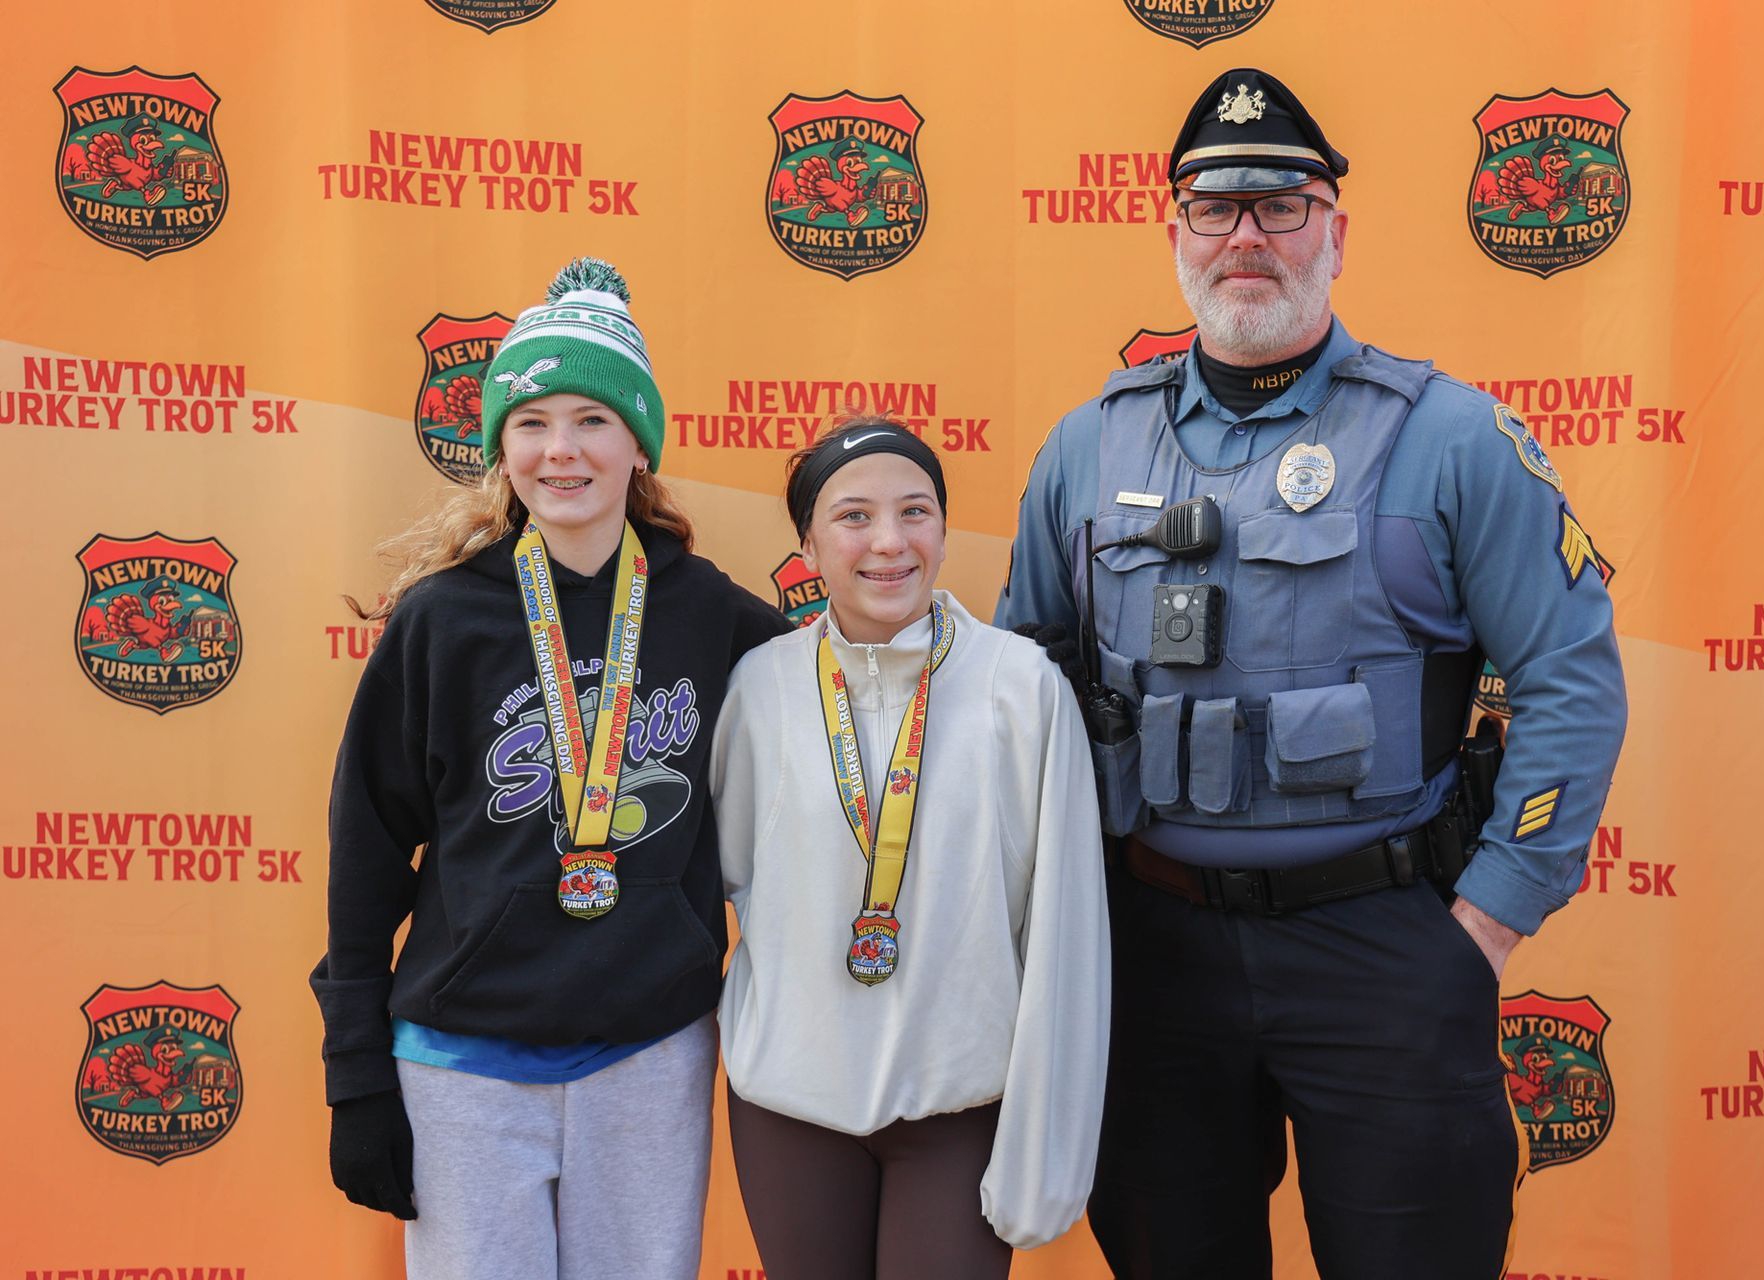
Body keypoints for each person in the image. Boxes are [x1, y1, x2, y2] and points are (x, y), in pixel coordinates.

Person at [996, 68, 1629, 1279]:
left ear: (1337, 233)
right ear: (1173, 232)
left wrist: (1485, 924)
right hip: (1150, 954)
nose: (1246, 235)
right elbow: (1020, 688)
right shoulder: (1086, 446)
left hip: (1386, 948)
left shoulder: (1450, 437)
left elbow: (1572, 679)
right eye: (1215, 205)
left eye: (1282, 205)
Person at [310, 258, 791, 1280]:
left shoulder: (711, 613)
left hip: (649, 1051)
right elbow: (366, 851)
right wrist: (355, 1071)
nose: (560, 449)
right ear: (501, 447)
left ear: (638, 444)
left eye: (592, 420)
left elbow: (848, 703)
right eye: (531, 422)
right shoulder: (442, 620)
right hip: (462, 1059)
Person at [711, 418, 1109, 1280]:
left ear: (944, 529)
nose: (889, 542)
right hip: (791, 1107)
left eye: (915, 511)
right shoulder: (760, 686)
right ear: (808, 545)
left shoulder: (1020, 686)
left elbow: (1065, 929)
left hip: (959, 1109)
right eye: (854, 516)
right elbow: (726, 880)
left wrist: (1048, 1139)